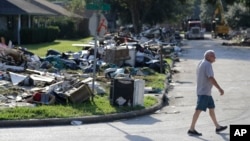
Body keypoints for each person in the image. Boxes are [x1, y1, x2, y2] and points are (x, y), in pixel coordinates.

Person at [187, 50, 227, 136]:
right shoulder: (207, 64)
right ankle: (191, 129)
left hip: (205, 92)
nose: (215, 57)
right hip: (204, 92)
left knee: (211, 108)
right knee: (198, 110)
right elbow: (211, 78)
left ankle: (217, 127)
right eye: (213, 56)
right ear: (208, 57)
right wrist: (219, 88)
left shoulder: (201, 62)